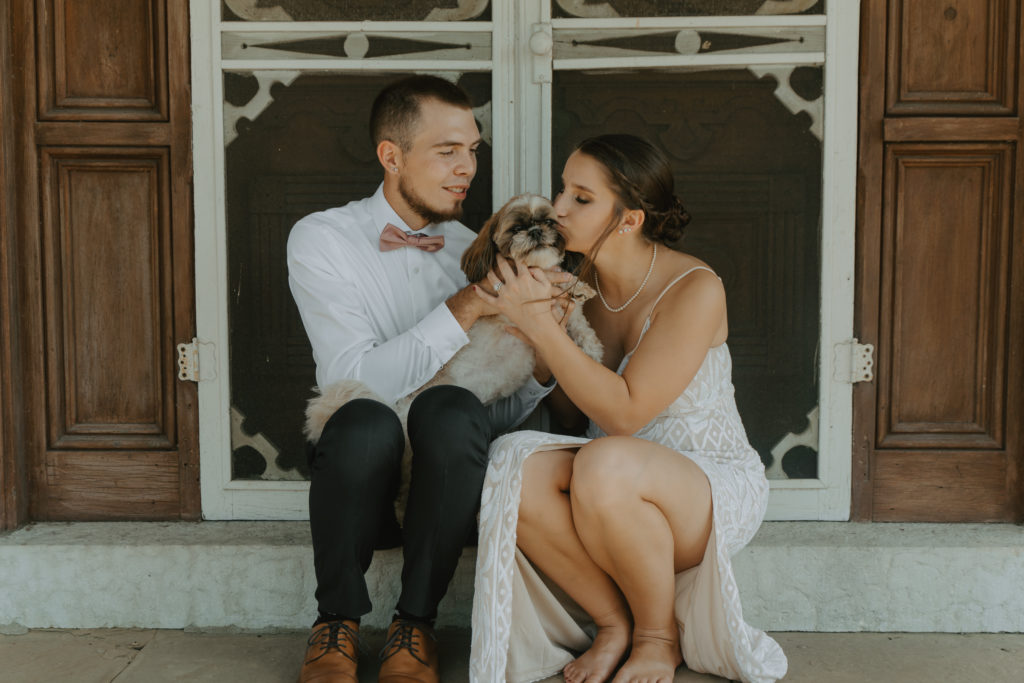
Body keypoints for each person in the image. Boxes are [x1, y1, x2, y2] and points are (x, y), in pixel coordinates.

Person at [468, 134, 788, 683]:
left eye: (581, 198)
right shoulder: (578, 283)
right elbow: (574, 418)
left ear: (629, 219)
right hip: (609, 482)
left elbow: (624, 416)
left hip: (706, 487)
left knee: (606, 459)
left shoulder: (694, 287)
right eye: (562, 189)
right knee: (513, 462)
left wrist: (542, 325)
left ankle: (658, 637)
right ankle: (613, 625)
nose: (559, 208)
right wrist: (544, 341)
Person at [287, 75, 560, 683]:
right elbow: (353, 379)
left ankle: (415, 627)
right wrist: (466, 306)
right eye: (447, 151)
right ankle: (336, 623)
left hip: (442, 486)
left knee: (452, 408)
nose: (466, 169)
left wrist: (541, 367)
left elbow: (491, 408)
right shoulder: (323, 238)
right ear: (391, 155)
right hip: (362, 480)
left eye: (473, 151)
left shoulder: (477, 249)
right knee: (362, 418)